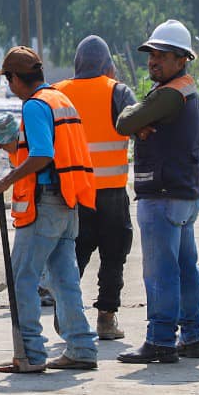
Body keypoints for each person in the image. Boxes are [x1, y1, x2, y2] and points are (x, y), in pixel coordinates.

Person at [0, 46, 100, 373]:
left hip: (44, 203)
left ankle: (31, 355)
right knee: (64, 280)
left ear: (17, 78)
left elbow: (41, 155)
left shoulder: (35, 106)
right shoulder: (61, 100)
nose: (9, 86)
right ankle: (81, 347)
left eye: (9, 79)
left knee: (23, 278)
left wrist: (6, 181)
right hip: (68, 202)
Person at [114, 19, 199, 364]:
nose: (153, 61)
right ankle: (192, 337)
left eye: (162, 55)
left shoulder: (169, 94)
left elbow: (123, 122)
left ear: (182, 59)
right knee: (184, 267)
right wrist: (140, 122)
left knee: (160, 271)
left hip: (164, 194)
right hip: (184, 193)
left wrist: (138, 122)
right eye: (151, 54)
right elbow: (133, 121)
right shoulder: (185, 90)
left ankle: (161, 340)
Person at [53, 35, 137, 340]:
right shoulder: (117, 91)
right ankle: (106, 319)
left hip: (74, 193)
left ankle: (67, 314)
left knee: (73, 254)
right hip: (112, 193)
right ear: (108, 66)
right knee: (114, 256)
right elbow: (140, 123)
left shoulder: (58, 93)